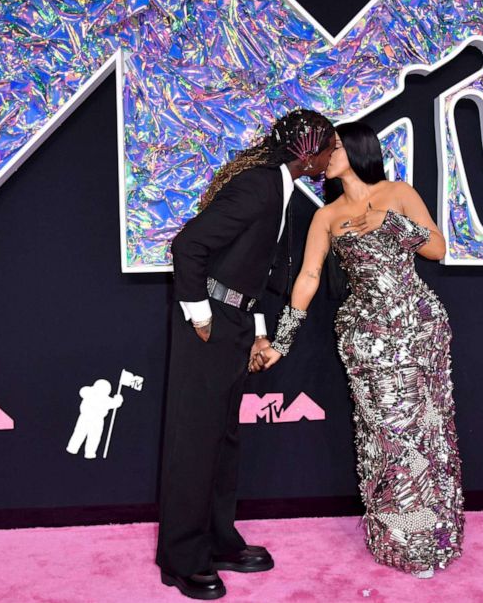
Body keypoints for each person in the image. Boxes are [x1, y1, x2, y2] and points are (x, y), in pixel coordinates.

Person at [253, 121, 466, 578]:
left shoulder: (398, 192)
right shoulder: (325, 217)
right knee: (384, 436)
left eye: (331, 148)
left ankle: (432, 539)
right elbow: (308, 278)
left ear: (354, 148)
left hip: (417, 328)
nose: (324, 157)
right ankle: (395, 539)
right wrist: (283, 340)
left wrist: (391, 223)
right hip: (367, 337)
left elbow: (438, 249)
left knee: (424, 435)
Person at [156, 108, 336, 600]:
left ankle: (217, 540)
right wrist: (199, 314)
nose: (333, 156)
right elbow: (188, 244)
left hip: (235, 320)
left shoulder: (278, 189)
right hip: (209, 322)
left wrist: (256, 329)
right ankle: (181, 558)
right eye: (331, 147)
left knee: (224, 438)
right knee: (195, 441)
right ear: (309, 152)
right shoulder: (260, 186)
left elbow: (248, 270)